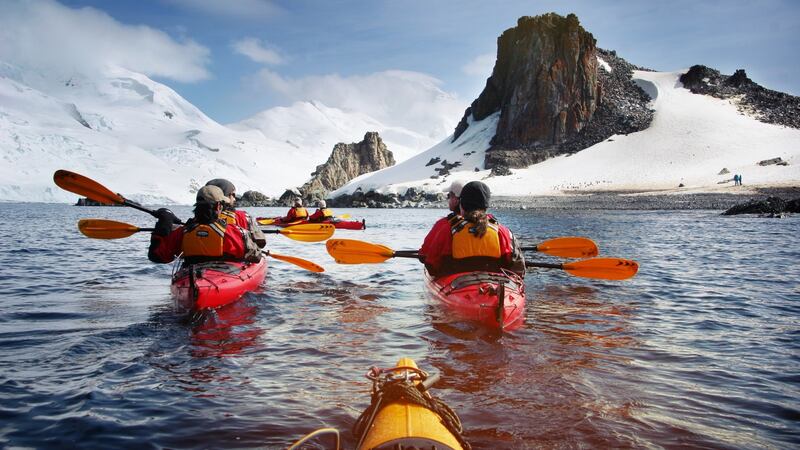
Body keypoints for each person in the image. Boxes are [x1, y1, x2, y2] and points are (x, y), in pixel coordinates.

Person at [418, 181, 525, 277]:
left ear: (462, 204)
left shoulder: (447, 229)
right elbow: (518, 269)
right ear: (486, 206)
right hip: (494, 288)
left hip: (455, 287)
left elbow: (429, 263)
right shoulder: (502, 231)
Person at [148, 185, 262, 265]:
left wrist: (163, 224)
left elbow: (156, 256)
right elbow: (256, 257)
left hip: (191, 279)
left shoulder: (182, 232)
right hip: (223, 279)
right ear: (218, 207)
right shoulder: (234, 232)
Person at [205, 178, 266, 248]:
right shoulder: (244, 217)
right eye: (233, 195)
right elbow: (261, 242)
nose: (235, 199)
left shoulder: (195, 223)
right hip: (236, 256)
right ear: (226, 196)